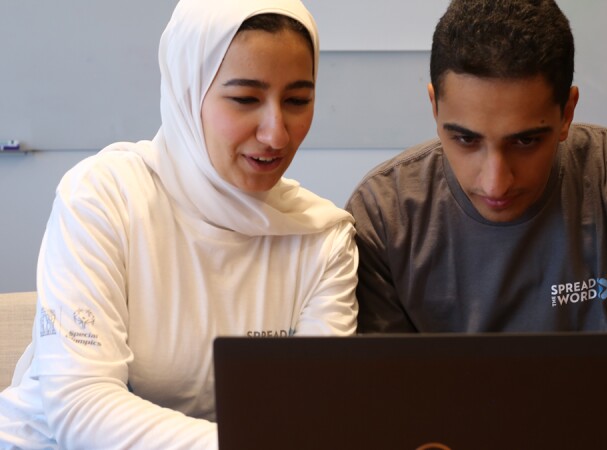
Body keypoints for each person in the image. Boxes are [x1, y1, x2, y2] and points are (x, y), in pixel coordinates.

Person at [0, 0, 357, 447]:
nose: (276, 134)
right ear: (188, 91)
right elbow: (81, 406)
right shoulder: (104, 198)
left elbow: (314, 409)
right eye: (245, 99)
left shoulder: (322, 237)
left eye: (298, 100)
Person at [346, 0, 607, 440]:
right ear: (434, 107)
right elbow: (382, 405)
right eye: (465, 139)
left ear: (567, 113)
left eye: (526, 140)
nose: (495, 183)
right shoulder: (383, 213)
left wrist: (502, 422)